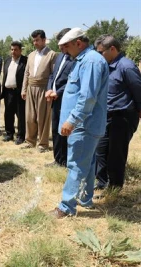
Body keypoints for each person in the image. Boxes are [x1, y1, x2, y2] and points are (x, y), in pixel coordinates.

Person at [50, 28, 109, 218]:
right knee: (88, 162)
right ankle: (85, 198)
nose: (64, 51)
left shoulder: (91, 61)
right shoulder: (82, 60)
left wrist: (72, 120)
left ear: (78, 43)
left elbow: (87, 97)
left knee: (76, 164)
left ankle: (66, 207)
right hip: (83, 124)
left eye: (66, 46)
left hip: (83, 124)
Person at [94, 35, 141, 190]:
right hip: (106, 116)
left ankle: (114, 187)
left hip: (122, 117)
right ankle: (102, 182)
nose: (99, 55)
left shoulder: (126, 67)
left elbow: (138, 91)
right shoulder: (106, 66)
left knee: (116, 154)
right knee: (101, 150)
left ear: (112, 49)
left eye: (101, 52)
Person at [21, 30, 57, 153]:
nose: (35, 43)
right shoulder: (31, 55)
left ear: (44, 40)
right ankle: (30, 141)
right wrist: (24, 89)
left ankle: (43, 144)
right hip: (31, 88)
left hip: (43, 88)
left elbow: (53, 74)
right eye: (34, 40)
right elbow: (26, 73)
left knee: (43, 118)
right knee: (30, 117)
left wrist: (50, 90)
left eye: (37, 40)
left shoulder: (51, 54)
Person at [45, 28, 75, 167]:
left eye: (63, 45)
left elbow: (71, 81)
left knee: (65, 130)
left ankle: (66, 160)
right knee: (56, 129)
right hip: (55, 100)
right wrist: (49, 89)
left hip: (66, 100)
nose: (61, 48)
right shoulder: (60, 57)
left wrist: (59, 92)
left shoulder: (75, 59)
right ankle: (58, 159)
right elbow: (52, 75)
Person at [1, 41, 28, 144]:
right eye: (12, 49)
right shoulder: (7, 61)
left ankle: (21, 136)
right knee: (8, 114)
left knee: (21, 115)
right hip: (8, 92)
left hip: (19, 92)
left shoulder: (25, 61)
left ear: (20, 50)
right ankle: (9, 134)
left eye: (16, 50)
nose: (13, 52)